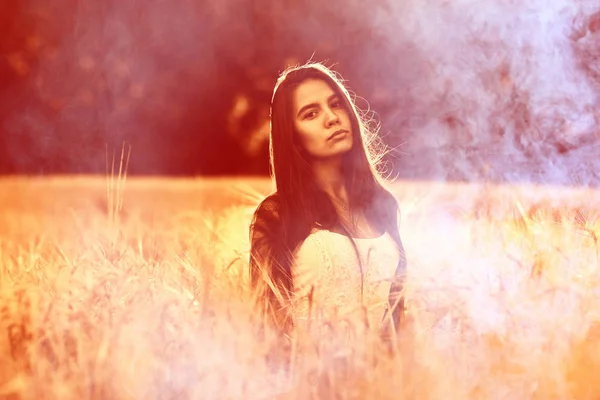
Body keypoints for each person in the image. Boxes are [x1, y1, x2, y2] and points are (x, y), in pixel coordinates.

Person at [248, 61, 408, 353]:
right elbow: (267, 328)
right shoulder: (277, 214)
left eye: (336, 104)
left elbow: (393, 327)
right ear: (292, 135)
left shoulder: (382, 205)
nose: (332, 118)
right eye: (311, 113)